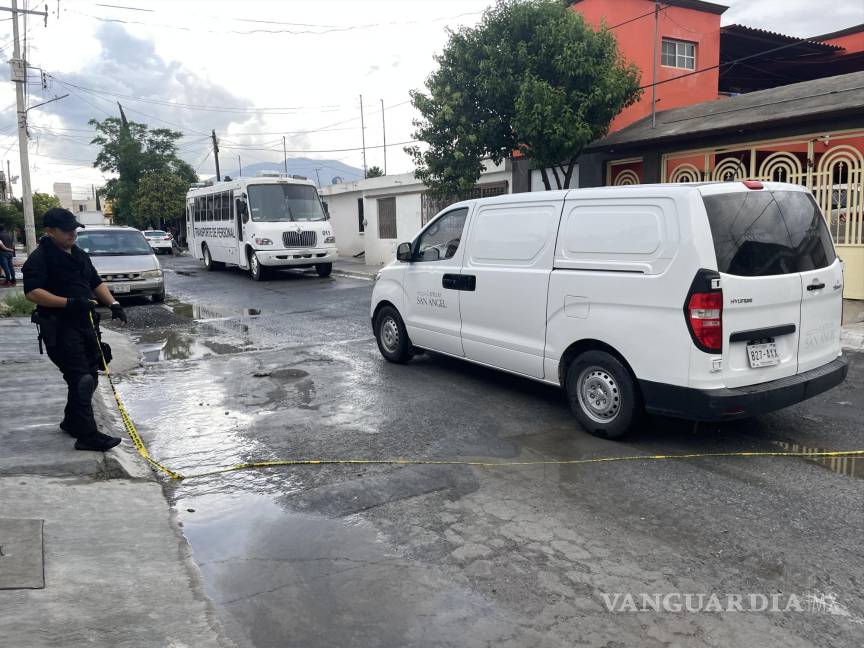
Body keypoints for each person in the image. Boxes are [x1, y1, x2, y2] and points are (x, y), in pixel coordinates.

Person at [22, 208, 128, 451]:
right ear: (50, 231)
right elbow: (32, 292)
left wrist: (114, 304)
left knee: (89, 377)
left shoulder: (78, 253)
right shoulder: (40, 258)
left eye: (74, 228)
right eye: (67, 230)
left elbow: (94, 281)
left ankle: (72, 422)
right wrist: (69, 303)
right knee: (81, 378)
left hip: (86, 325)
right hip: (59, 328)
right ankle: (87, 436)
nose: (73, 233)